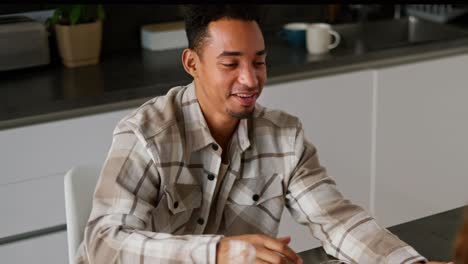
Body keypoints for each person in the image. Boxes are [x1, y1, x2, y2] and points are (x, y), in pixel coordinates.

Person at [75, 5, 450, 264]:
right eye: (231, 63)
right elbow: (104, 245)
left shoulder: (284, 136)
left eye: (259, 61)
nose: (251, 79)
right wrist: (219, 254)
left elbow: (335, 218)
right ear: (192, 63)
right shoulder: (147, 134)